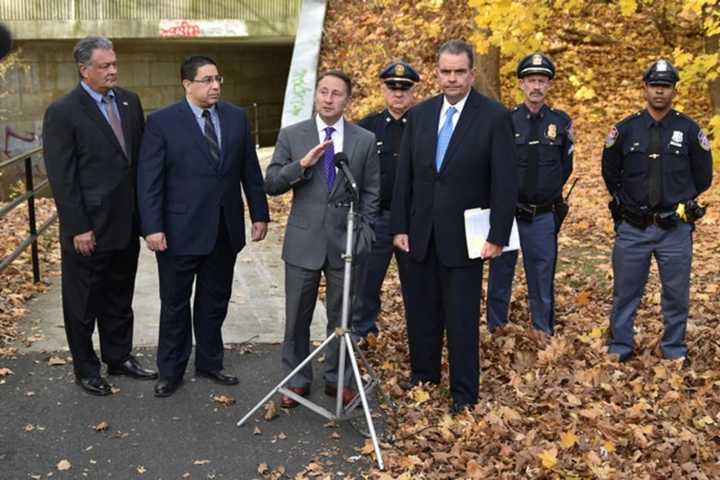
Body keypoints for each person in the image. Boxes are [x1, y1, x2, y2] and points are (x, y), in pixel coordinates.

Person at [391, 39, 518, 412]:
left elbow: (505, 181)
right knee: (421, 313)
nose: (452, 79)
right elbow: (405, 177)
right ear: (436, 73)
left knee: (461, 320)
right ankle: (423, 378)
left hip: (466, 239)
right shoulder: (421, 115)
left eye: (459, 72)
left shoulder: (494, 116)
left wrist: (497, 235)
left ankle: (463, 395)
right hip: (420, 235)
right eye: (445, 72)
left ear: (471, 73)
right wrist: (399, 226)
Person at [136, 55, 269, 397]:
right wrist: (152, 227)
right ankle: (171, 370)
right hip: (178, 233)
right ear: (187, 84)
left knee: (214, 301)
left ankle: (210, 363)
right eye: (207, 80)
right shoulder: (162, 122)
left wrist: (259, 213)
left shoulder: (236, 118)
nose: (215, 86)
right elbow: (149, 180)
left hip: (224, 230)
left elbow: (249, 171)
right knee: (175, 304)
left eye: (217, 79)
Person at [43, 36, 156, 396]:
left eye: (114, 63)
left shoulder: (129, 101)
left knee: (119, 296)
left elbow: (136, 163)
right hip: (88, 228)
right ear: (84, 70)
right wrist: (78, 227)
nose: (113, 70)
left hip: (125, 222)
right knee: (83, 303)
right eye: (104, 66)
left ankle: (119, 357)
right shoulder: (63, 112)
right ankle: (86, 368)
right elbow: (62, 177)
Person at [265, 70, 380, 408]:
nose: (329, 98)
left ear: (347, 100)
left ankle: (338, 379)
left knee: (341, 318)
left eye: (337, 94)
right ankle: (296, 379)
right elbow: (271, 184)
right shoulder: (292, 135)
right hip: (303, 242)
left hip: (346, 243)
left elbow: (372, 190)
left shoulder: (363, 140)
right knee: (296, 316)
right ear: (315, 95)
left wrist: (366, 232)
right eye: (324, 92)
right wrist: (301, 165)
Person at [602, 58, 713, 365]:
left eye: (665, 87)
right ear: (645, 89)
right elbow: (610, 172)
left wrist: (682, 203)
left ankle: (674, 348)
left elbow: (703, 176)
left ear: (674, 91)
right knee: (626, 292)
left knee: (676, 294)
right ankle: (621, 345)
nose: (660, 92)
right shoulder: (625, 129)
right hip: (633, 228)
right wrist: (625, 205)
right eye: (654, 86)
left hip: (674, 229)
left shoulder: (689, 130)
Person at [487, 53, 574, 336]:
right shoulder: (506, 120)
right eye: (531, 81)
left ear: (548, 85)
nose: (536, 86)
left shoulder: (560, 122)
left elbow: (565, 166)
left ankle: (542, 332)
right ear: (522, 84)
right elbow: (495, 166)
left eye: (542, 81)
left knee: (542, 276)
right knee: (501, 275)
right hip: (509, 213)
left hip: (543, 214)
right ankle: (496, 330)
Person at [352, 61, 419, 342]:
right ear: (383, 89)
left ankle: (419, 337)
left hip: (413, 220)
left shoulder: (424, 125)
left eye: (404, 88)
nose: (398, 94)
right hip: (377, 218)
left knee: (417, 284)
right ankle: (363, 333)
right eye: (393, 87)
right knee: (367, 281)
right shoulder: (367, 128)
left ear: (413, 91)